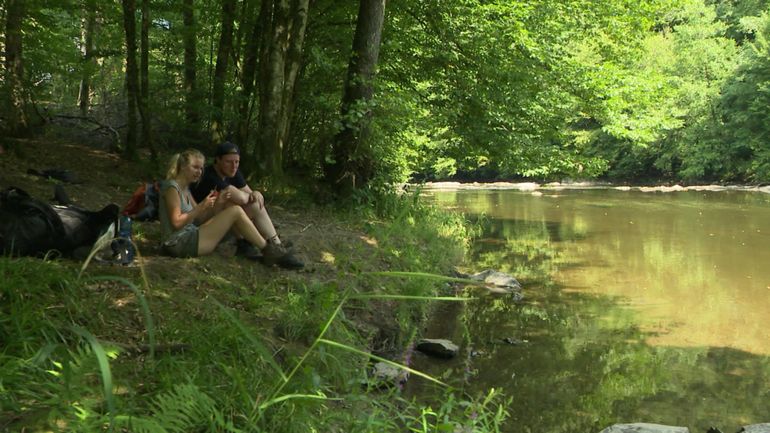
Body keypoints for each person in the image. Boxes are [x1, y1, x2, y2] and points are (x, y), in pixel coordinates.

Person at [159, 149, 298, 268]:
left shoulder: (186, 189)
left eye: (201, 168)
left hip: (190, 236)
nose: (199, 172)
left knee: (233, 209)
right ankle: (269, 251)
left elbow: (199, 219)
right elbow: (176, 223)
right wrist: (201, 206)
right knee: (236, 211)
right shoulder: (172, 188)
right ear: (183, 167)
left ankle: (269, 248)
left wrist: (218, 203)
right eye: (195, 167)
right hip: (178, 243)